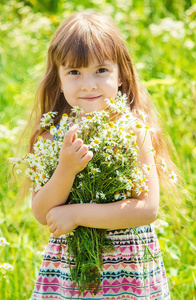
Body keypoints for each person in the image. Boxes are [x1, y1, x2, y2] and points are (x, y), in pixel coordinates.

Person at [29, 11, 174, 299]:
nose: (89, 84)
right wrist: (66, 169)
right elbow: (41, 212)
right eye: (74, 72)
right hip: (70, 271)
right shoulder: (50, 138)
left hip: (127, 270)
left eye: (101, 70)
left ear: (121, 75)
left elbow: (147, 209)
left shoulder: (135, 132)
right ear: (58, 80)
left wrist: (76, 214)